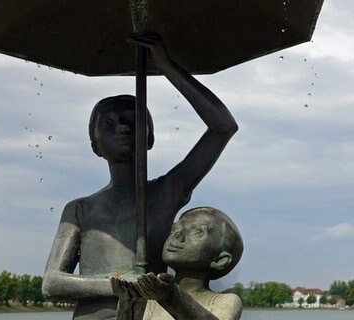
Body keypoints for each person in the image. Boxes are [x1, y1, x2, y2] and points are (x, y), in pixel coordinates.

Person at [42, 32, 238, 320]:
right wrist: (120, 285)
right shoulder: (80, 210)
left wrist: (168, 68)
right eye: (108, 122)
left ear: (150, 137)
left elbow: (223, 127)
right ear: (94, 143)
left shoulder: (166, 192)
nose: (122, 127)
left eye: (133, 121)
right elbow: (52, 284)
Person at [112, 207, 244, 320]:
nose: (178, 235)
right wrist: (128, 303)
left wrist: (170, 297)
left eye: (198, 233)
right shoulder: (150, 302)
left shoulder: (226, 301)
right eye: (175, 229)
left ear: (219, 260)